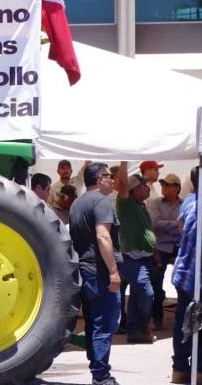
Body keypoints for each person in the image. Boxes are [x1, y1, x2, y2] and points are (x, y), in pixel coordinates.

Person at [69, 162, 122, 385]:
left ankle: (97, 369)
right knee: (104, 323)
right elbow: (102, 236)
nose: (113, 180)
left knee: (93, 322)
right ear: (100, 178)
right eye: (110, 176)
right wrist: (113, 271)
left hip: (84, 270)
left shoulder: (77, 203)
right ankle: (101, 376)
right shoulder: (101, 202)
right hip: (99, 271)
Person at [170, 165, 202, 385]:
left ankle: (180, 369)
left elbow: (180, 225)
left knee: (183, 321)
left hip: (183, 272)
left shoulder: (189, 202)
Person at [116, 161, 157, 344]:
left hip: (144, 257)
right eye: (144, 186)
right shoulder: (126, 204)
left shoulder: (141, 206)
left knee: (136, 294)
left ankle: (134, 331)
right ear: (134, 190)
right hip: (131, 257)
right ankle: (144, 326)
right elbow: (123, 184)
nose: (148, 189)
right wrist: (124, 162)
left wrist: (154, 253)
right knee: (146, 293)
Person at [146, 172, 182, 330]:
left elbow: (186, 224)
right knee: (155, 281)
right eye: (163, 184)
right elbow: (154, 223)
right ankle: (157, 318)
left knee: (183, 282)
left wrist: (165, 226)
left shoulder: (185, 203)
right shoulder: (155, 203)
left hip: (180, 244)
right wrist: (176, 224)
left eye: (167, 185)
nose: (163, 187)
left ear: (176, 188)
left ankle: (183, 317)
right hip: (162, 246)